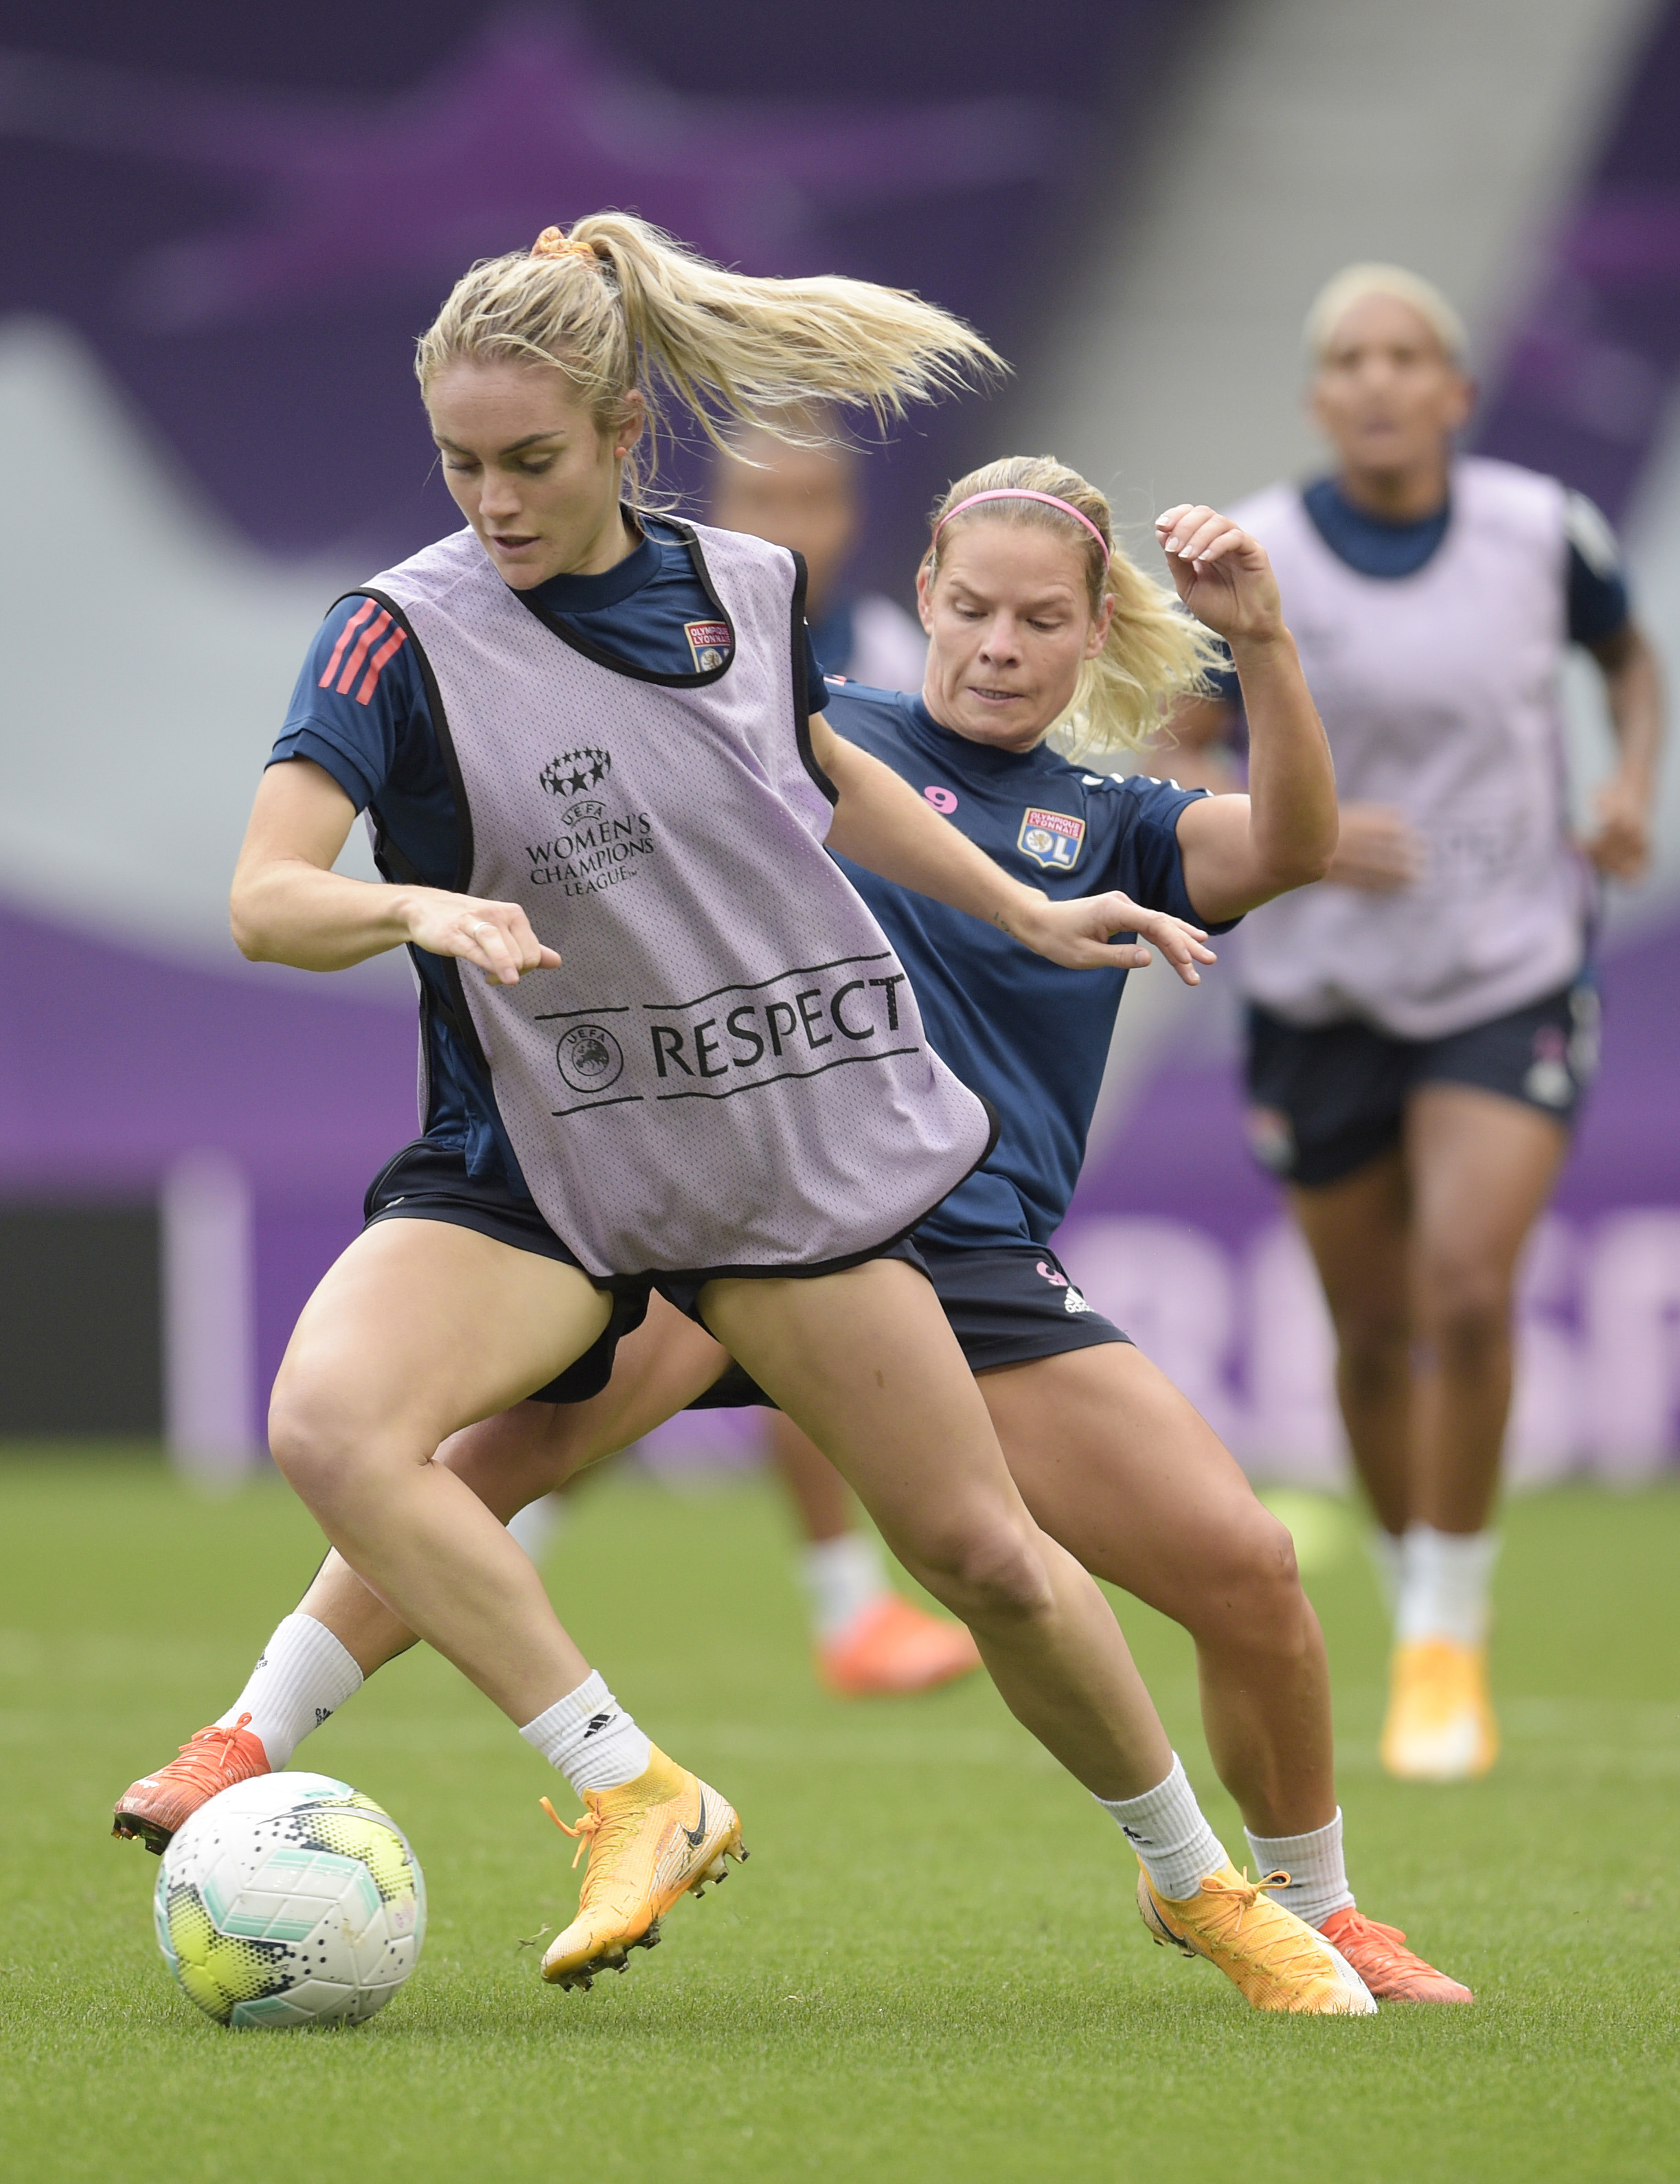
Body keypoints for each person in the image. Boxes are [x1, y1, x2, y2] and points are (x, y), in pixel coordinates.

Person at [116, 219, 1381, 2016]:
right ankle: (620, 1781)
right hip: (545, 1162)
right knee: (344, 1423)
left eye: (531, 459)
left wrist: (1023, 910)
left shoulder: (748, 595)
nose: (493, 496)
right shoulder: (393, 635)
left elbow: (828, 774)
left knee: (987, 1560)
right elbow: (268, 896)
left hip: (771, 1160)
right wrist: (416, 906)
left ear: (627, 429)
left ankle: (1201, 1886)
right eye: (462, 461)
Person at [1163, 264, 1664, 1782]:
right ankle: (1411, 1589)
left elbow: (1630, 663)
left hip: (1507, 965)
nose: (1378, 382)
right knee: (1372, 1330)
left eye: (1408, 357)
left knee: (1463, 1281)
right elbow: (1179, 745)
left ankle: (1450, 1635)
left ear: (1456, 388)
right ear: (1321, 398)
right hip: (1320, 990)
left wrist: (1626, 784)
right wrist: (1296, 822)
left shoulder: (1540, 534)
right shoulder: (1263, 554)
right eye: (1350, 361)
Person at [709, 412, 975, 1695]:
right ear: (714, 508)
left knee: (748, 1334)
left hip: (841, 1062)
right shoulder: (668, 656)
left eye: (813, 499)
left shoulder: (894, 663)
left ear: (851, 516)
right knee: (599, 1374)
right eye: (764, 500)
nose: (791, 527)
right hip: (692, 1059)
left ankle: (850, 1609)